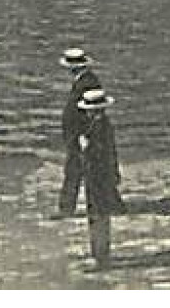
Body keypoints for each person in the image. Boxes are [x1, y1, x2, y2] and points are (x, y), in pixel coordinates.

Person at [77, 88, 125, 269]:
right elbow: (111, 154)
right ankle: (100, 252)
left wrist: (84, 146)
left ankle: (100, 254)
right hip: (101, 176)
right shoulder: (104, 125)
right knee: (100, 214)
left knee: (98, 214)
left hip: (97, 177)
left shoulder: (98, 128)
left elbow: (96, 154)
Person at [57, 47, 102, 217]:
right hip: (77, 136)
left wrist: (85, 135)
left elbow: (93, 113)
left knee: (75, 171)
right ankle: (70, 207)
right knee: (81, 171)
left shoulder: (88, 83)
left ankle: (67, 209)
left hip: (81, 136)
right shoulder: (84, 81)